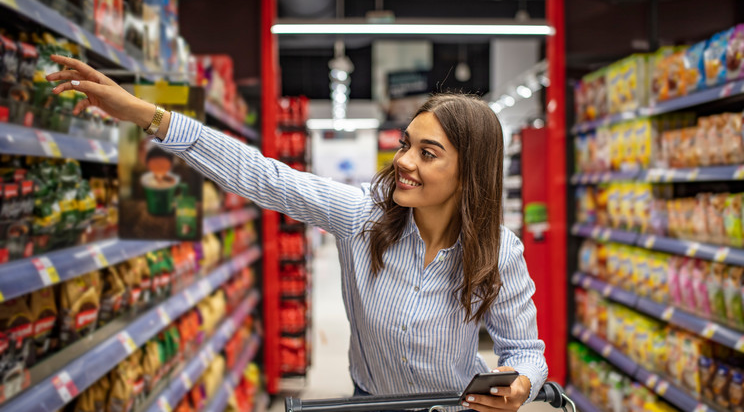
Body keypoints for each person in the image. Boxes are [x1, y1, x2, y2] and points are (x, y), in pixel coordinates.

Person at [47, 55, 548, 412]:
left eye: (427, 153)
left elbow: (525, 351)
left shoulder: (499, 253)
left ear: (471, 172)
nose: (403, 162)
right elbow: (265, 176)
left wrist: (520, 385)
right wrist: (147, 114)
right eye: (405, 145)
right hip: (367, 407)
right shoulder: (361, 218)